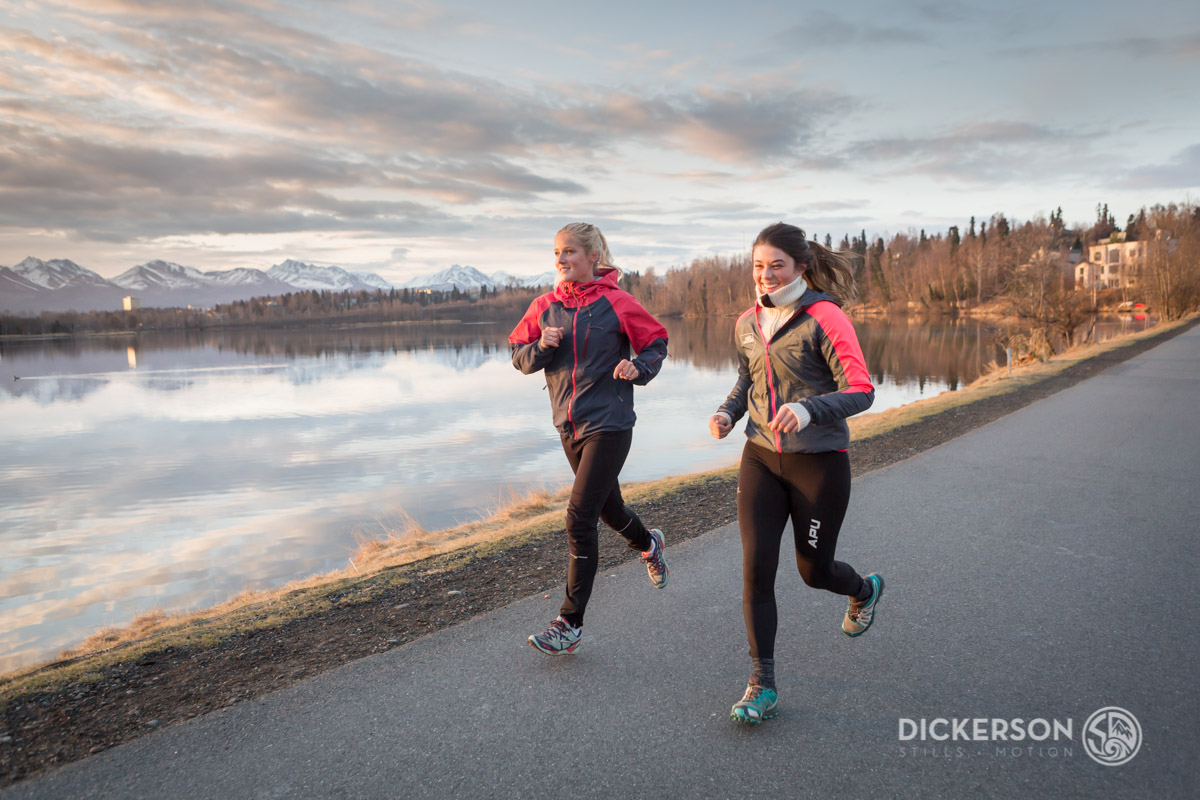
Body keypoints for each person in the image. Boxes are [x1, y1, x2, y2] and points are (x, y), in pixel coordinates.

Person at [709, 222, 883, 723]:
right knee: (757, 569)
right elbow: (748, 378)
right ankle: (761, 683)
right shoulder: (747, 322)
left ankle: (863, 590)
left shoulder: (825, 317)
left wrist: (810, 410)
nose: (765, 275)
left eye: (776, 265)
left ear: (801, 266)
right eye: (758, 266)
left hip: (818, 463)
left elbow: (862, 388)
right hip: (761, 455)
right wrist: (727, 412)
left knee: (813, 571)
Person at [509, 222, 670, 656]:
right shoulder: (543, 307)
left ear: (592, 257)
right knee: (608, 508)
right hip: (569, 426)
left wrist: (640, 367)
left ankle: (569, 622)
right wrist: (541, 346)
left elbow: (656, 341)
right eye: (556, 253)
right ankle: (649, 543)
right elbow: (517, 358)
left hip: (611, 424)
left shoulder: (617, 303)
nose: (561, 260)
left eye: (569, 253)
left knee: (579, 517)